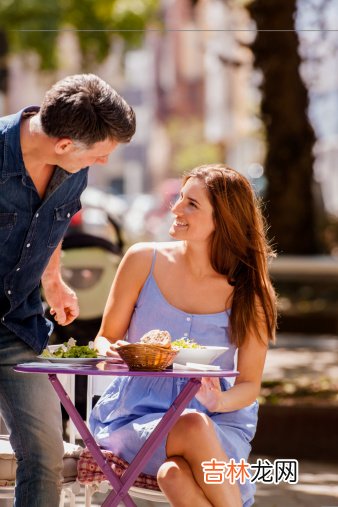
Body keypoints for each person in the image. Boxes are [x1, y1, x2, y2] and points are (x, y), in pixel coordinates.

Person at [91, 164, 277, 507]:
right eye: (179, 198)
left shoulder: (248, 290)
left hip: (219, 426)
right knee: (191, 424)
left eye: (191, 203)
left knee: (173, 476)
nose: (175, 209)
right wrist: (113, 352)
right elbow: (104, 338)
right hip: (134, 419)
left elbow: (250, 385)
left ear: (223, 220)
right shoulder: (142, 260)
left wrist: (218, 402)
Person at [0, 73, 135, 507]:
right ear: (62, 145)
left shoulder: (72, 168)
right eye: (99, 156)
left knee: (45, 454)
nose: (101, 163)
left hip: (17, 324)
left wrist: (52, 280)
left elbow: (51, 221)